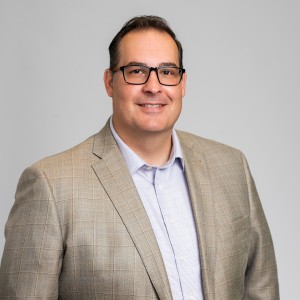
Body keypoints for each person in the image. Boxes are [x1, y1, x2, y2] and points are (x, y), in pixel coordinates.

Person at [0, 15, 279, 299]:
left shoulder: (232, 168)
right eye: (136, 71)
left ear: (182, 84)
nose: (154, 86)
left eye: (167, 72)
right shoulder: (51, 186)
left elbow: (261, 287)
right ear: (110, 82)